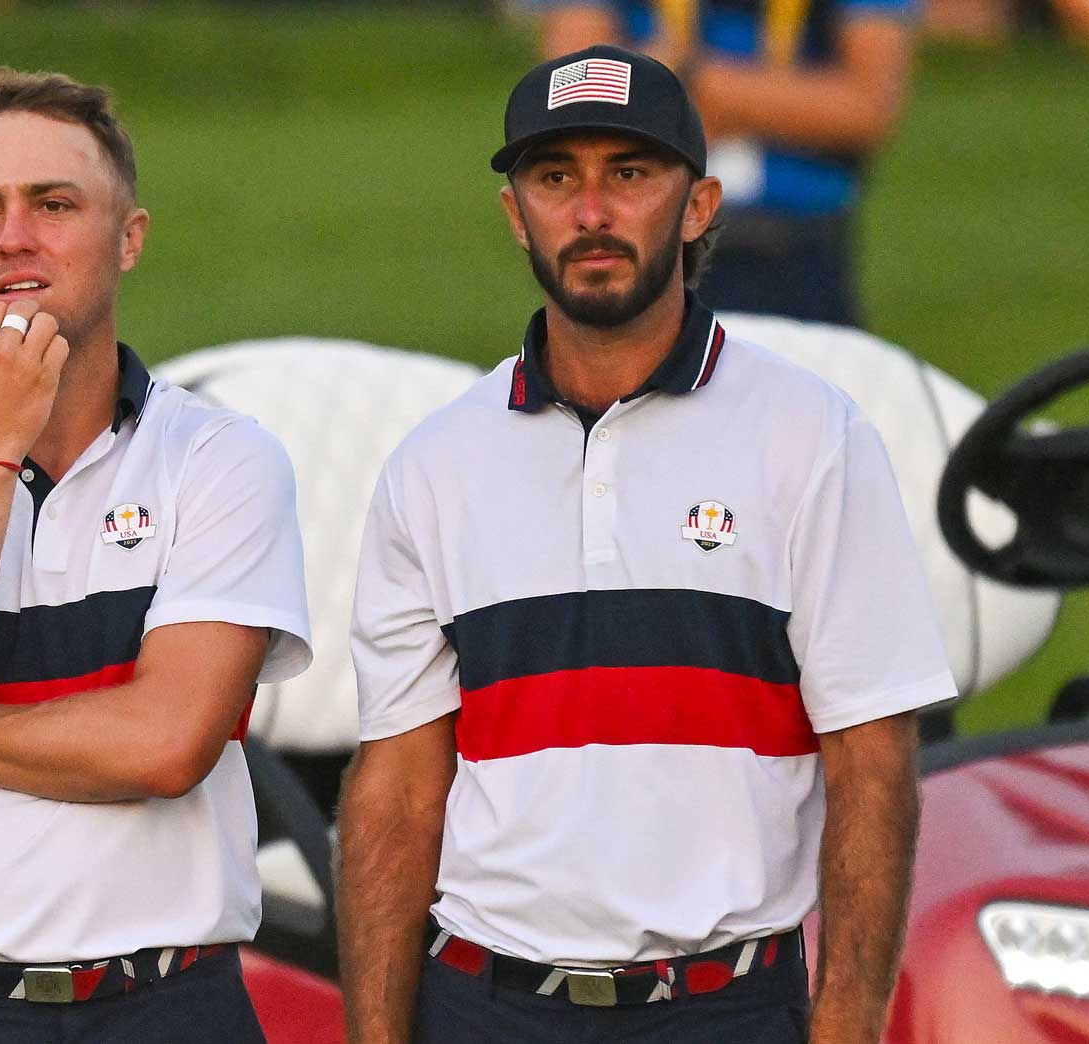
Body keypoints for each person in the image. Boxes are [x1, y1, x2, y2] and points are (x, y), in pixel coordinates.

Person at [337, 46, 956, 1044]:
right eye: (553, 178)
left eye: (627, 174)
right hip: (481, 1008)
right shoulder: (434, 463)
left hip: (722, 1011)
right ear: (514, 215)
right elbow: (397, 789)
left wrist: (841, 1024)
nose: (589, 212)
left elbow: (871, 764)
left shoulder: (810, 437)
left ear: (698, 204)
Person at [0, 67, 312, 1042]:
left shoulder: (219, 456)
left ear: (129, 238)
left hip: (166, 1005)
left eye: (53, 204)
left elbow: (164, 746)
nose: (13, 237)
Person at [536, 0, 913, 325]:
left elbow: (865, 109)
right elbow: (577, 95)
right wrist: (777, 103)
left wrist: (682, 79)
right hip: (643, 247)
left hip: (796, 250)